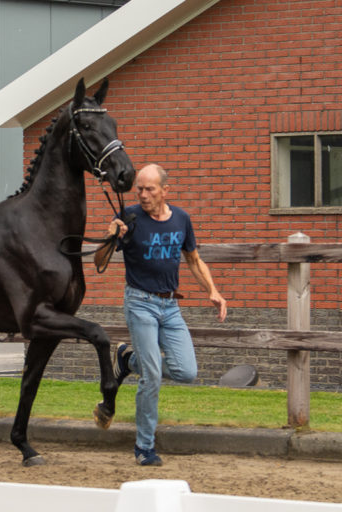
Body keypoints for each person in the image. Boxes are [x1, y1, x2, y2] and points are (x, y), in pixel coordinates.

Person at [95, 163, 227, 466]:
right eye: (139, 188)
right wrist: (112, 236)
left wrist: (213, 290)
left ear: (165, 190)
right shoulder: (127, 217)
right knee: (152, 376)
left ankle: (129, 360)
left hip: (170, 306)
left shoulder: (181, 219)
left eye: (149, 189)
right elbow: (99, 263)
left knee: (186, 372)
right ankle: (144, 447)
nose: (142, 194)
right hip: (140, 303)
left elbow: (193, 259)